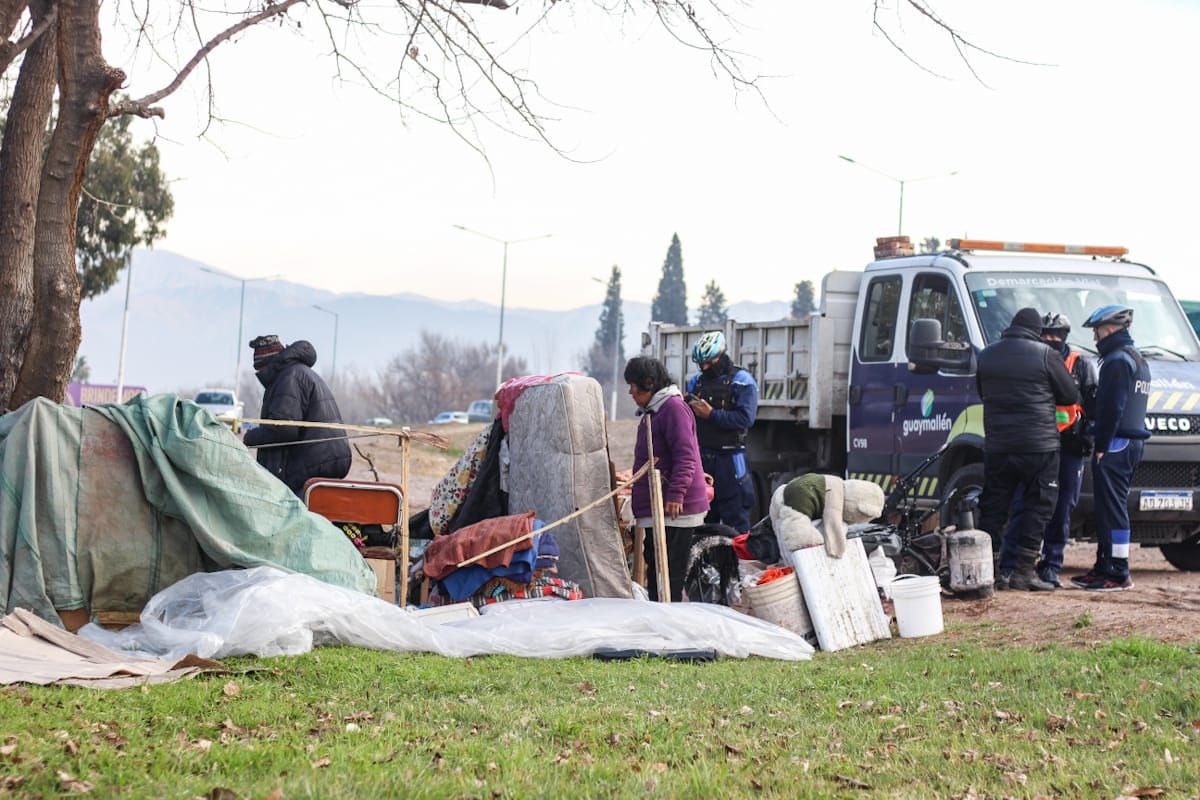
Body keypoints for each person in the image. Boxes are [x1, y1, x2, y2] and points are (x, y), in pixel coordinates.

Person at [976, 308, 1079, 591]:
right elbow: (1070, 394)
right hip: (1039, 446)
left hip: (998, 446)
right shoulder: (1046, 355)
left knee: (994, 508)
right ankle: (1024, 572)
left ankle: (990, 572)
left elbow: (981, 392)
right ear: (1036, 330)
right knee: (1038, 506)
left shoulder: (987, 355)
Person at [1001, 313, 1098, 587]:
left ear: (1065, 336)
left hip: (1070, 445)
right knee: (1023, 504)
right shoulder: (1033, 360)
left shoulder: (1080, 364)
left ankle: (1051, 566)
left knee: (1062, 507)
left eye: (1057, 336)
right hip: (1036, 443)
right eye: (1046, 335)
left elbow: (1092, 403)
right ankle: (1009, 565)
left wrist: (1089, 435)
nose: (1051, 340)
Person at [1071, 305, 1151, 592]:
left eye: (1097, 331)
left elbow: (1112, 408)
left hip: (1116, 443)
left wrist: (1102, 444)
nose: (1095, 337)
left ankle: (1118, 571)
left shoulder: (1117, 360)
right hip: (1129, 442)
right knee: (1107, 506)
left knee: (1113, 507)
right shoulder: (1137, 358)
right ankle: (1104, 565)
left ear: (1110, 329)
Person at [626, 356, 710, 602]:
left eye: (633, 384)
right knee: (656, 566)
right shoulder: (655, 410)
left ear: (649, 383)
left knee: (670, 573)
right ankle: (659, 619)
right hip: (660, 505)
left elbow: (685, 453)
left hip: (674, 509)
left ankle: (668, 627)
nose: (630, 391)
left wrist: (676, 494)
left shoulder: (672, 408)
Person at [242, 335, 351, 497]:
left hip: (313, 463)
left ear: (267, 364)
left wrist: (249, 438)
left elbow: (283, 429)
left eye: (259, 369)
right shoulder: (299, 372)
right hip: (327, 458)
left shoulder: (288, 377)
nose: (259, 374)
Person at [685, 331, 759, 533]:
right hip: (702, 457)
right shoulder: (695, 382)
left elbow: (746, 418)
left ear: (721, 355)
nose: (705, 368)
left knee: (736, 519)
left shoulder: (743, 381)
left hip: (731, 459)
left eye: (709, 362)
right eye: (701, 364)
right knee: (702, 518)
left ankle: (740, 563)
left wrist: (712, 415)